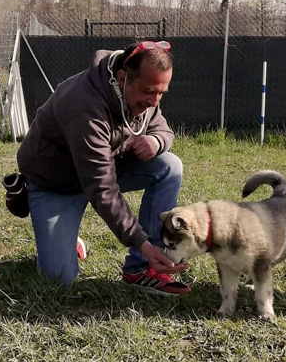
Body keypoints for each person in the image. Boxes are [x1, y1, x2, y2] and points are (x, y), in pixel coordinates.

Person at [16, 40, 190, 295]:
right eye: (149, 92)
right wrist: (142, 242)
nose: (154, 101)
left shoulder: (142, 88)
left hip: (103, 169)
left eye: (161, 93)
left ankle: (141, 269)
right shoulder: (83, 105)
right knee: (58, 279)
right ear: (122, 78)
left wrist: (156, 140)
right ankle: (64, 237)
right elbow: (102, 188)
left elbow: (163, 128)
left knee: (169, 165)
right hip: (56, 184)